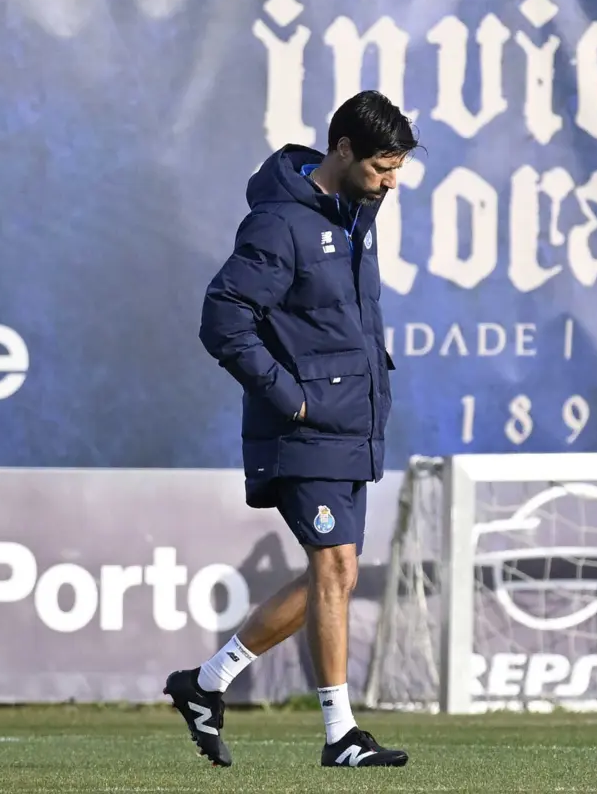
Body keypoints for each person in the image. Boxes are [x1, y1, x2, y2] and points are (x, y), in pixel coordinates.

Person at [163, 90, 418, 769]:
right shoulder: (279, 224)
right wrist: (291, 400)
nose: (391, 184)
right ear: (342, 151)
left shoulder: (357, 210)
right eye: (381, 169)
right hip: (303, 430)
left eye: (397, 170)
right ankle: (340, 736)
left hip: (352, 426)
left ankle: (205, 684)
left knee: (332, 574)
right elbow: (223, 318)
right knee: (335, 566)